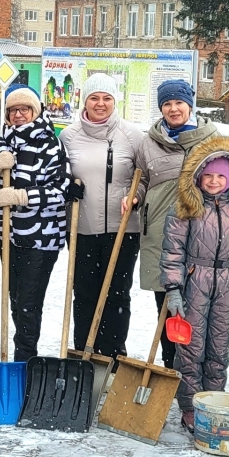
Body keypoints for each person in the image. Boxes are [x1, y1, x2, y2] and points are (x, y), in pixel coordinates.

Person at [160, 136, 229, 434]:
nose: (214, 181)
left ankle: (212, 403)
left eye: (221, 176)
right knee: (191, 347)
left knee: (218, 347)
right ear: (198, 177)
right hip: (194, 282)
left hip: (226, 284)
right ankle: (190, 407)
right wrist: (174, 289)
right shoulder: (185, 210)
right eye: (209, 175)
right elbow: (172, 252)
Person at [0, 84, 70, 362]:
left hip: (41, 237)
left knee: (28, 303)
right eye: (13, 110)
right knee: (16, 301)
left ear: (35, 111)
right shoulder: (1, 143)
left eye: (24, 109)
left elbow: (62, 190)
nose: (18, 115)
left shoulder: (50, 144)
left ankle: (25, 361)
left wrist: (22, 195)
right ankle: (22, 358)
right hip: (8, 236)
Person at [132, 79, 218, 368]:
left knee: (198, 307)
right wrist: (134, 197)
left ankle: (194, 371)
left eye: (179, 102)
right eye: (167, 103)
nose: (173, 108)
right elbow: (141, 179)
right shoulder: (149, 141)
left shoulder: (211, 140)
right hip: (160, 231)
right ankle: (171, 369)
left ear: (190, 105)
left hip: (200, 235)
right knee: (167, 308)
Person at [59, 73, 145, 358]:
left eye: (107, 98)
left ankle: (113, 354)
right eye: (94, 98)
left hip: (123, 230)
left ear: (114, 101)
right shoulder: (68, 136)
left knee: (117, 295)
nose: (100, 104)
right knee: (84, 294)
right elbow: (58, 176)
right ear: (84, 100)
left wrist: (136, 196)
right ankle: (85, 351)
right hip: (81, 229)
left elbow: (145, 178)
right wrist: (66, 187)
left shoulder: (132, 135)